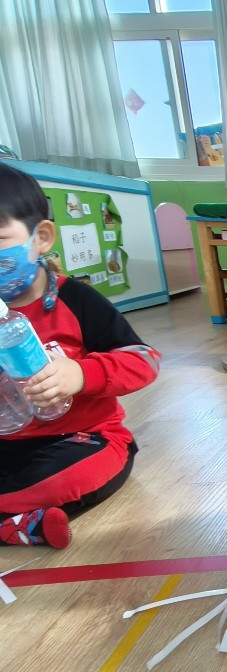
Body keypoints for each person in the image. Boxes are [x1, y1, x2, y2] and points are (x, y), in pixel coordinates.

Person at [0, 163, 161, 549]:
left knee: (74, 474)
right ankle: (19, 524)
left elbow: (144, 359)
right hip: (8, 445)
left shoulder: (75, 299)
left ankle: (14, 516)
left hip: (82, 439)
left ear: (41, 238)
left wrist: (81, 374)